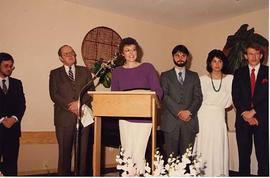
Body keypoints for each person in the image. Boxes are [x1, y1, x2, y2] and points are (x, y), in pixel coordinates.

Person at [111, 37, 163, 175]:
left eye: (134, 49)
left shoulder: (147, 68)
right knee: (127, 153)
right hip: (124, 117)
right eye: (127, 50)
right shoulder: (117, 72)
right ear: (122, 54)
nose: (131, 53)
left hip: (144, 118)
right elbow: (114, 96)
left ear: (137, 51)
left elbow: (158, 91)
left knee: (139, 154)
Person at [49, 45, 95, 176]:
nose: (70, 55)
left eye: (72, 53)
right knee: (64, 155)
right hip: (63, 119)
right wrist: (71, 106)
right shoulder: (55, 73)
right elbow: (54, 94)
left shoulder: (85, 71)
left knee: (83, 154)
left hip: (84, 116)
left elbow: (91, 91)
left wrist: (80, 103)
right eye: (66, 53)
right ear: (60, 58)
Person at [193, 49, 233, 176]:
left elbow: (234, 100)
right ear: (209, 63)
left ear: (223, 63)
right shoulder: (201, 79)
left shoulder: (230, 79)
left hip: (219, 118)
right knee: (204, 148)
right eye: (214, 61)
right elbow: (195, 100)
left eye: (220, 61)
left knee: (218, 148)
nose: (217, 64)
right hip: (203, 117)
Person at [232, 43, 269, 176]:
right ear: (245, 56)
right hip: (243, 122)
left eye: (256, 53)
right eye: (250, 53)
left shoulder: (268, 72)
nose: (253, 56)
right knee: (243, 159)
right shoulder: (238, 73)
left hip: (263, 122)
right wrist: (245, 114)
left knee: (264, 159)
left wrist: (253, 112)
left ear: (261, 55)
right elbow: (235, 96)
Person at [160, 45, 202, 159]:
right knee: (171, 159)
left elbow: (198, 97)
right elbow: (164, 96)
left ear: (187, 58)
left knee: (187, 159)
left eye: (183, 55)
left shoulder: (194, 76)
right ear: (173, 57)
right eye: (177, 55)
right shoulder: (165, 75)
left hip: (189, 121)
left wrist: (189, 111)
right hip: (171, 123)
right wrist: (179, 112)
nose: (180, 58)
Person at [0, 52, 26, 176]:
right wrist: (2, 119)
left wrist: (14, 118)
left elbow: (21, 105)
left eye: (11, 66)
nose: (9, 69)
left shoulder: (17, 83)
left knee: (11, 166)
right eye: (6, 66)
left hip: (13, 131)